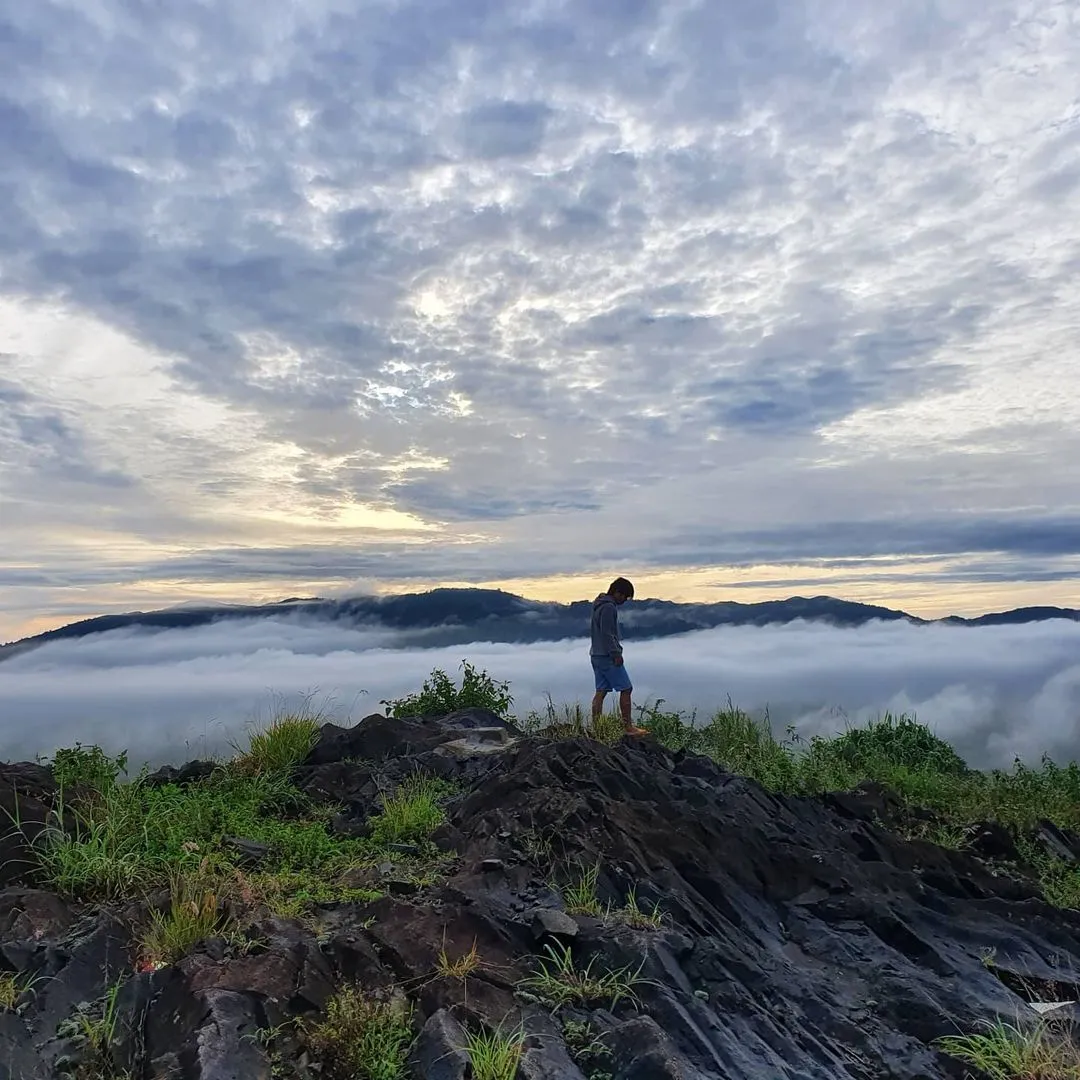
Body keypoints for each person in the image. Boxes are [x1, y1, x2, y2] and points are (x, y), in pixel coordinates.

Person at [590, 577, 647, 736]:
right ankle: (628, 727)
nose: (625, 600)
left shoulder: (598, 604)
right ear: (617, 592)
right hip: (607, 656)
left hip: (596, 654)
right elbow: (607, 634)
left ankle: (597, 728)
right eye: (625, 596)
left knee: (601, 691)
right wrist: (616, 654)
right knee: (626, 688)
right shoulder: (609, 608)